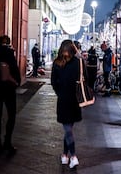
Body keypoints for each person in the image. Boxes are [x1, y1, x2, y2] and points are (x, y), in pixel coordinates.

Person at [51, 40, 84, 169]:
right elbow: (85, 78)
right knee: (68, 127)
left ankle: (73, 156)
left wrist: (59, 92)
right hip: (75, 99)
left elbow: (53, 82)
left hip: (63, 99)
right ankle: (65, 155)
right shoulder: (78, 63)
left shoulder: (57, 63)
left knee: (67, 128)